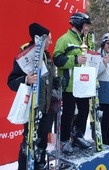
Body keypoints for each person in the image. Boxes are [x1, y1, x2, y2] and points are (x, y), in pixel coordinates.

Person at [7, 23, 54, 170]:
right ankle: (24, 167)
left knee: (42, 142)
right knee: (30, 142)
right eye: (49, 39)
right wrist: (26, 80)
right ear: (41, 39)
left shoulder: (46, 55)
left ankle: (39, 165)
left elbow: (48, 78)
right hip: (32, 109)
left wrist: (57, 82)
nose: (51, 42)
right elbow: (11, 82)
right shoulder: (26, 56)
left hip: (46, 107)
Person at [53, 12, 92, 155]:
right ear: (78, 24)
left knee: (84, 111)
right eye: (86, 25)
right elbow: (57, 59)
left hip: (82, 84)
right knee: (68, 114)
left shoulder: (83, 42)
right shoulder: (65, 39)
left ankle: (77, 136)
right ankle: (63, 141)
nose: (87, 28)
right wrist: (75, 60)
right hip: (69, 84)